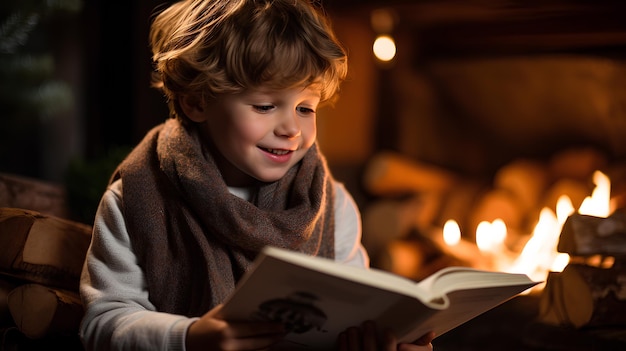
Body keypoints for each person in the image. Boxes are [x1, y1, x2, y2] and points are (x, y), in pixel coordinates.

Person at [79, 0, 435, 350]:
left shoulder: (331, 203)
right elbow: (104, 321)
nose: (292, 129)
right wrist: (188, 337)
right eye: (265, 106)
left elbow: (351, 313)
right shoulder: (136, 196)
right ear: (197, 102)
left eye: (305, 107)